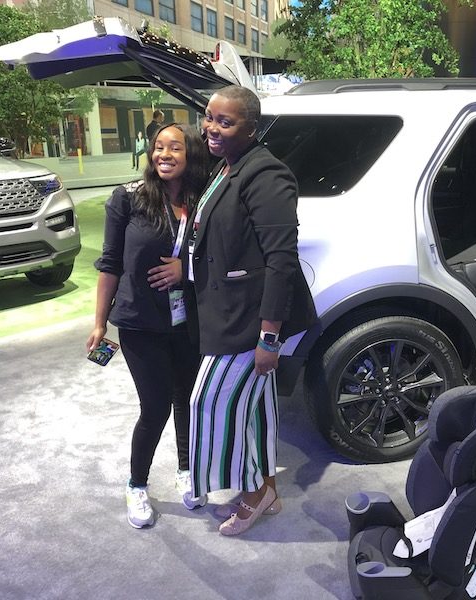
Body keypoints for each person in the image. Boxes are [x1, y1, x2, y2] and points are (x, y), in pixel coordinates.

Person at [181, 85, 318, 536]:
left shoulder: (267, 175)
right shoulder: (228, 168)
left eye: (226, 121)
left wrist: (269, 338)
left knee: (209, 402)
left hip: (253, 319)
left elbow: (281, 261)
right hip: (229, 309)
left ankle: (253, 496)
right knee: (256, 409)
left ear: (251, 128)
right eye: (210, 117)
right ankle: (268, 491)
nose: (212, 127)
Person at [86, 122, 209, 529]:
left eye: (175, 147)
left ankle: (187, 470)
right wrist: (100, 323)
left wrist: (185, 269)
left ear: (191, 154)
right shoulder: (129, 199)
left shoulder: (204, 200)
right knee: (154, 406)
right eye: (158, 147)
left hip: (187, 320)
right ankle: (137, 484)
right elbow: (109, 263)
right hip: (139, 322)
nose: (164, 154)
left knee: (187, 400)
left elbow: (218, 257)